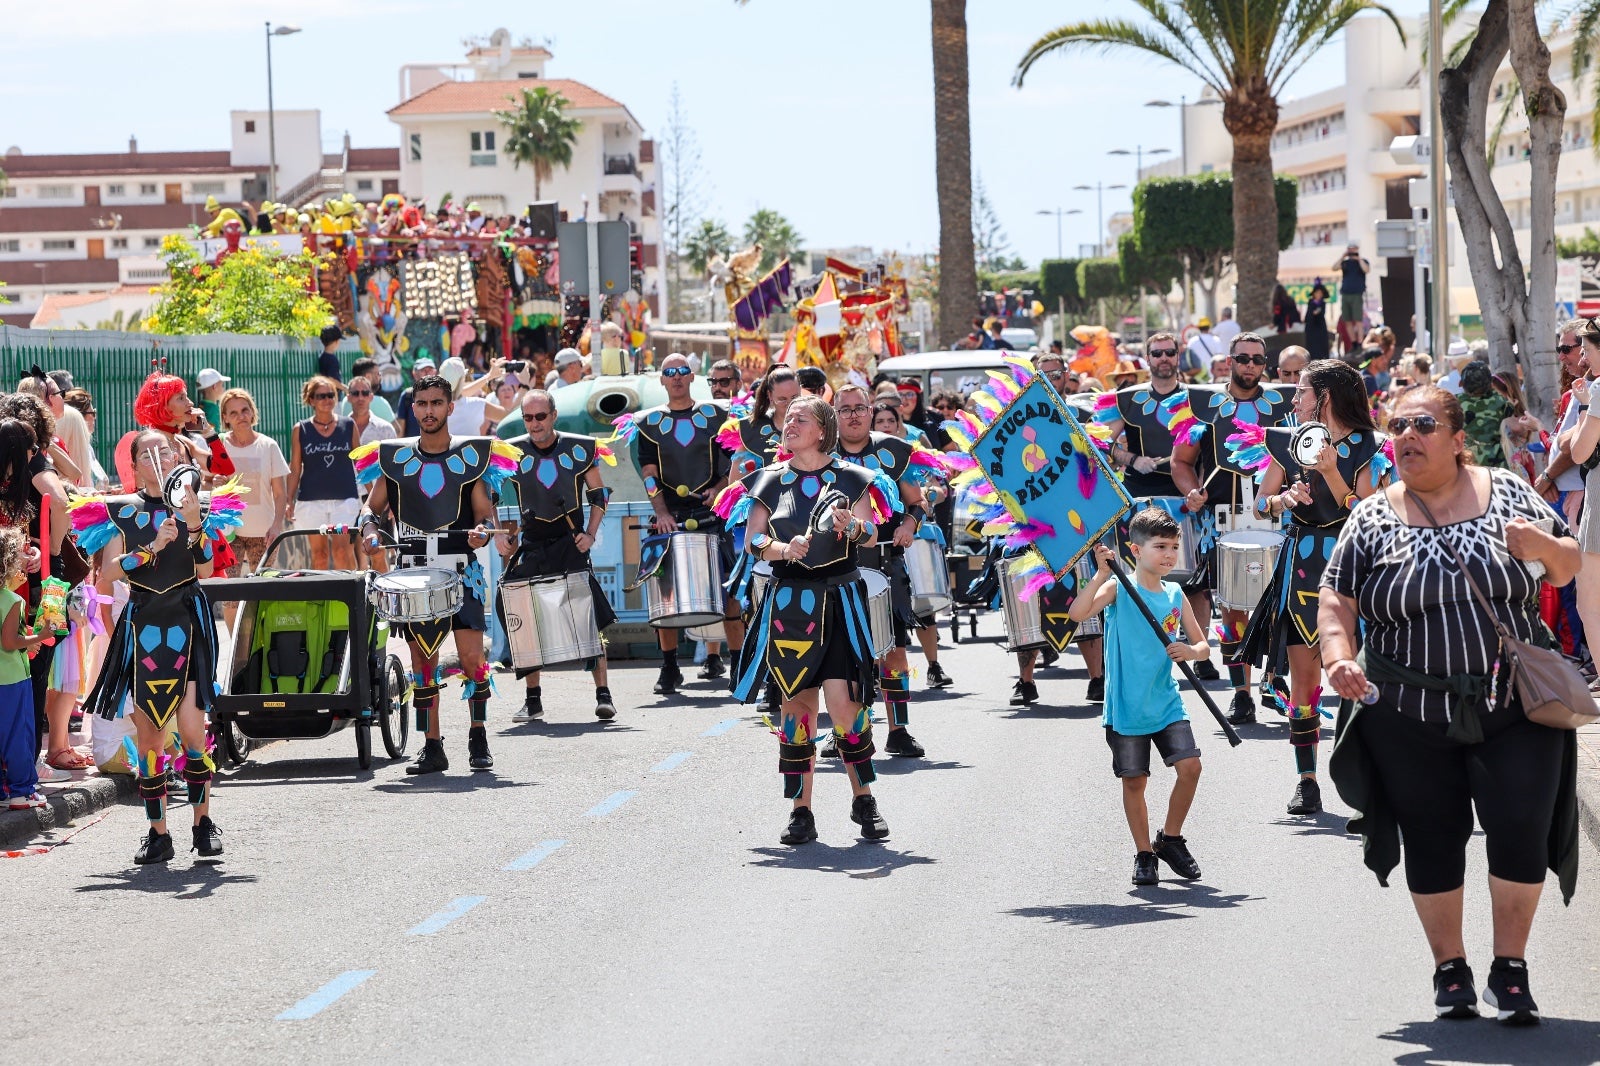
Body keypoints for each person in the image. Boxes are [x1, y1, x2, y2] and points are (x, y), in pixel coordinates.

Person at [1321, 385, 1580, 1025]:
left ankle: (1510, 968)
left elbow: (1568, 564)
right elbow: (1336, 599)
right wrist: (1337, 658)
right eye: (1398, 427)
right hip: (1407, 711)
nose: (1407, 437)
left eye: (1423, 425)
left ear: (1458, 438)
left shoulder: (1509, 493)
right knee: (1432, 838)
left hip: (1514, 702)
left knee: (1520, 827)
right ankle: (1451, 970)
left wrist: (1543, 550)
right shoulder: (1371, 517)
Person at [71, 379, 246, 865]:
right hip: (143, 626)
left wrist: (191, 529)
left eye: (164, 455)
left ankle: (203, 824)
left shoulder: (199, 507)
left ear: (176, 460)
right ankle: (157, 831)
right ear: (134, 465)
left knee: (193, 732)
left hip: (188, 624)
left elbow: (209, 568)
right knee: (149, 738)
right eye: (146, 455)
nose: (157, 461)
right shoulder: (121, 513)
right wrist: (151, 548)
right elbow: (108, 570)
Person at [732, 396, 891, 844]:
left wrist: (850, 526)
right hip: (790, 606)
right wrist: (784, 550)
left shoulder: (851, 478)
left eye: (800, 419)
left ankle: (864, 800)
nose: (790, 424)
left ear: (821, 430)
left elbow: (871, 532)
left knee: (845, 706)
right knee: (796, 709)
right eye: (787, 419)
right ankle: (800, 811)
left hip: (839, 600)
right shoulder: (767, 480)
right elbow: (753, 540)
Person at [1234, 360, 1388, 815]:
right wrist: (1282, 499)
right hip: (1300, 567)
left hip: (1352, 567)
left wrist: (1332, 472)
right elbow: (1260, 506)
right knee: (1304, 680)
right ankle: (1307, 780)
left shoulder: (1370, 446)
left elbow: (1370, 510)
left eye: (1301, 392)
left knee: (1355, 678)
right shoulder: (1285, 442)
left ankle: (1363, 783)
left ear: (1325, 397)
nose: (1294, 400)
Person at [353, 374, 520, 775]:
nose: (429, 411)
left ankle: (478, 736)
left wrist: (484, 533)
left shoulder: (470, 457)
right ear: (413, 409)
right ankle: (433, 746)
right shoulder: (393, 458)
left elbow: (483, 515)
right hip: (412, 574)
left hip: (462, 573)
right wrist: (371, 532)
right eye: (422, 404)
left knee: (472, 660)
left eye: (436, 403)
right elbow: (369, 510)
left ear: (450, 407)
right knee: (422, 664)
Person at [1068, 511, 1209, 887]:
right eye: (1160, 546)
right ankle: (1145, 853)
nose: (1168, 554)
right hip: (1126, 706)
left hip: (1165, 701)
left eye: (1174, 548)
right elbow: (1077, 613)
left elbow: (1203, 645)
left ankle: (1171, 838)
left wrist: (1190, 652)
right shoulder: (1119, 589)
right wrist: (1100, 574)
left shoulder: (1176, 594)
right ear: (1135, 549)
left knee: (1190, 768)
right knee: (1135, 782)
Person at [1171, 332, 1297, 723]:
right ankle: (1241, 692)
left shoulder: (1282, 405)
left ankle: (1273, 680)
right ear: (1230, 360)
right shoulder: (1206, 408)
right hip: (1222, 517)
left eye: (1257, 360)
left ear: (1265, 364)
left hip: (1276, 516)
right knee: (1232, 611)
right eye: (1243, 358)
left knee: (1281, 607)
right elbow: (1181, 461)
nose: (1250, 366)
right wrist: (1192, 492)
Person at [1092, 333, 1215, 684]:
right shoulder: (1129, 400)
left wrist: (1199, 488)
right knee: (1141, 577)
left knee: (1195, 581)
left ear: (1178, 357)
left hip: (1186, 494)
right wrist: (1132, 458)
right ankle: (1144, 649)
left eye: (1169, 353)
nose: (1163, 358)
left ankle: (1200, 650)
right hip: (1140, 494)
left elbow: (1212, 446)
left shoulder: (1198, 400)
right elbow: (1099, 442)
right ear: (1147, 358)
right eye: (1156, 353)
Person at [834, 384, 944, 756]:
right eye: (844, 408)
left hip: (885, 563)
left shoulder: (892, 452)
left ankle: (898, 730)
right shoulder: (820, 456)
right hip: (836, 569)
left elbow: (916, 502)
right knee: (844, 655)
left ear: (870, 410)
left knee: (894, 651)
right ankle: (846, 731)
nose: (853, 414)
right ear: (834, 415)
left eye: (859, 408)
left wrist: (909, 526)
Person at [500, 390, 617, 722]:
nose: (534, 424)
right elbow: (491, 493)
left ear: (553, 415)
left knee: (587, 617)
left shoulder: (578, 448)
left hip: (571, 541)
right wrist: (501, 536)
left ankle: (603, 694)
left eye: (540, 416)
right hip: (533, 540)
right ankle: (533, 700)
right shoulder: (513, 452)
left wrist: (590, 534)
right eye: (528, 418)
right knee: (524, 619)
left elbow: (598, 494)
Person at [626, 353, 737, 695]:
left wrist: (719, 491)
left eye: (682, 372)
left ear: (692, 378)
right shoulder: (648, 423)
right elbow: (648, 474)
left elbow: (731, 461)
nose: (675, 377)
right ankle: (670, 666)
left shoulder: (717, 416)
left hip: (713, 514)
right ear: (661, 380)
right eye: (669, 372)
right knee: (665, 591)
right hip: (669, 518)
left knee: (731, 592)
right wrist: (660, 512)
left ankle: (739, 663)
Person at [285, 376, 360, 571]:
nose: (327, 400)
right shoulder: (301, 429)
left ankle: (350, 597)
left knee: (342, 552)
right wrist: (288, 499)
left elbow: (360, 463)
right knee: (319, 555)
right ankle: (322, 599)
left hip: (344, 498)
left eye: (331, 395)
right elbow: (295, 467)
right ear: (311, 400)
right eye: (321, 396)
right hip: (311, 500)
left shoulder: (349, 425)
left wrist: (372, 498)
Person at [0, 527, 47, 810]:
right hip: (12, 680)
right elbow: (9, 642)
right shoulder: (12, 600)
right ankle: (21, 791)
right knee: (18, 734)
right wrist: (38, 637)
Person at [218, 388, 288, 577]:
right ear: (225, 418)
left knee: (262, 594)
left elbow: (280, 494)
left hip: (264, 534)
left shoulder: (268, 446)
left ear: (252, 412)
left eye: (245, 410)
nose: (241, 416)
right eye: (234, 413)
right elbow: (209, 484)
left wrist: (277, 526)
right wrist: (214, 481)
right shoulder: (220, 446)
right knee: (229, 596)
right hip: (230, 532)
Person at [1458, 361, 1512, 468]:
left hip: (1466, 462)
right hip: (1496, 464)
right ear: (1490, 384)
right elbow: (1511, 409)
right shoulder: (1499, 402)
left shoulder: (1455, 403)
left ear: (1461, 383)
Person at [339, 358, 398, 424]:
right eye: (378, 374)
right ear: (368, 376)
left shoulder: (346, 401)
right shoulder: (380, 402)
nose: (380, 377)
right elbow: (397, 430)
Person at [395, 354, 438, 436]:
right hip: (412, 447)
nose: (427, 373)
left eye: (430, 370)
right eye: (423, 370)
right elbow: (400, 430)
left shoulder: (443, 396)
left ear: (435, 372)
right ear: (414, 374)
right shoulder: (407, 396)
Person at [1333, 243, 1370, 331]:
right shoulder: (1345, 262)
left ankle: (1359, 342)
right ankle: (1353, 342)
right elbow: (1334, 268)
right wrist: (1343, 256)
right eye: (1350, 249)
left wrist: (1358, 259)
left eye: (1354, 249)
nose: (1352, 251)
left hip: (1357, 293)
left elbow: (1366, 270)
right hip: (1345, 293)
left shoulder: (1363, 261)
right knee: (1347, 321)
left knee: (1358, 320)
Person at [1304, 281, 1331, 361]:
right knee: (1312, 348)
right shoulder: (1310, 303)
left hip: (1320, 328)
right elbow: (1308, 315)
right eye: (1317, 293)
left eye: (1320, 293)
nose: (1319, 295)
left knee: (1322, 348)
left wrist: (1317, 312)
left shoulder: (1322, 303)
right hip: (1311, 328)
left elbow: (1321, 313)